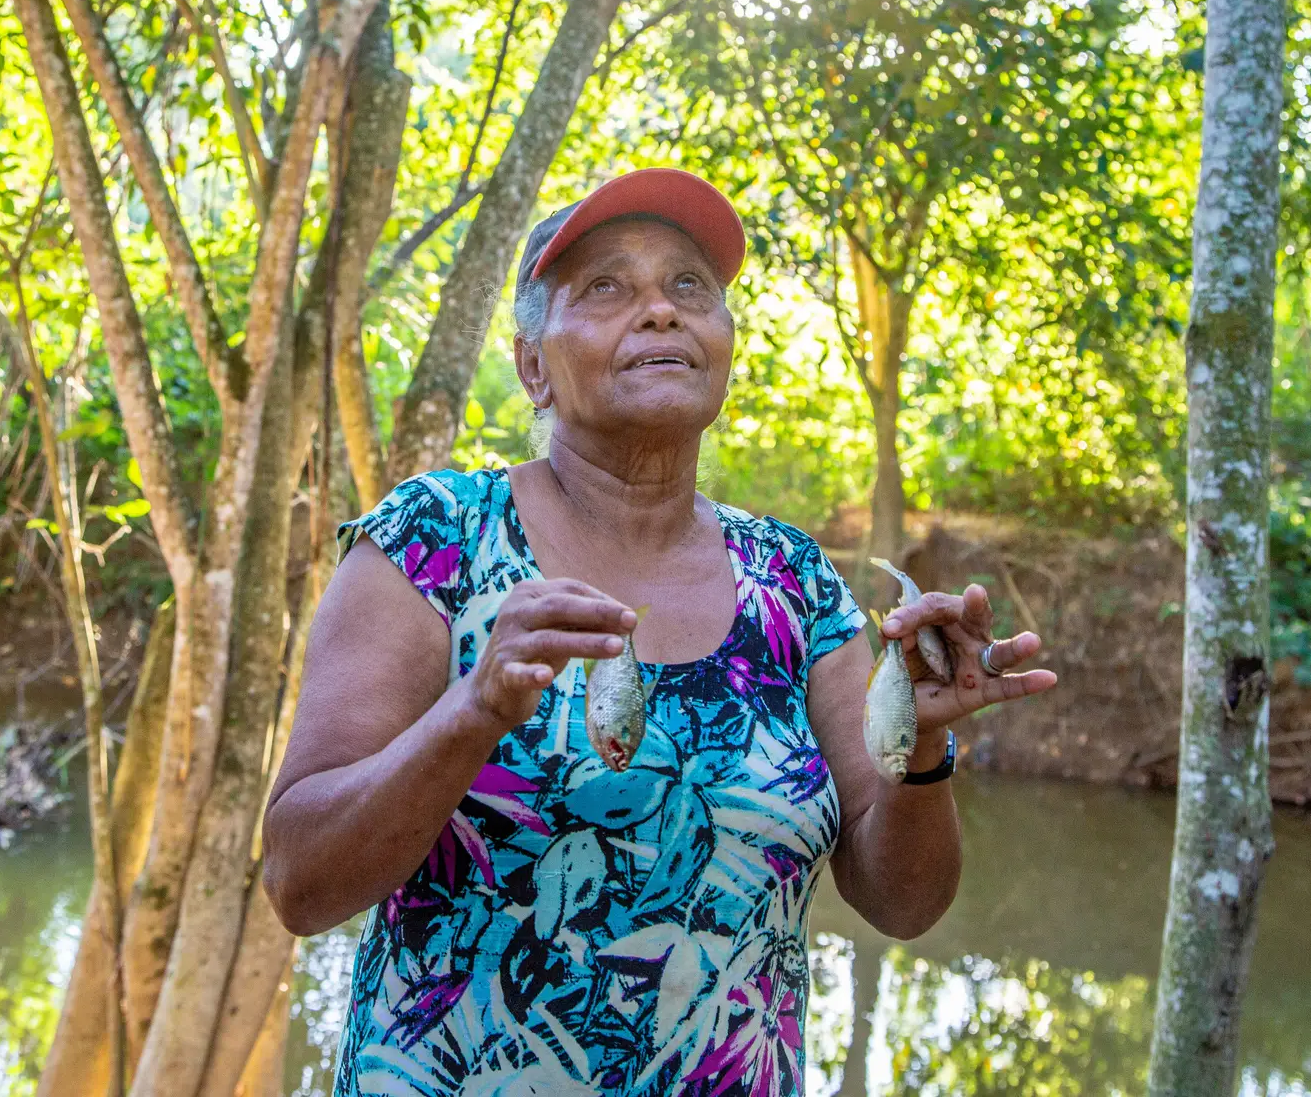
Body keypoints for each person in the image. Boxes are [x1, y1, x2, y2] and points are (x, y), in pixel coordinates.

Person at [262, 168, 1055, 1095]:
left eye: (690, 287)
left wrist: (920, 745)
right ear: (531, 365)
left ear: (723, 343)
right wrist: (472, 711)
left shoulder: (793, 585)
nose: (661, 312)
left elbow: (904, 903)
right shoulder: (439, 539)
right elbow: (299, 882)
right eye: (606, 287)